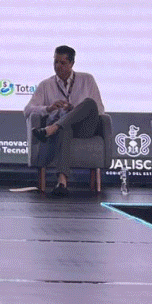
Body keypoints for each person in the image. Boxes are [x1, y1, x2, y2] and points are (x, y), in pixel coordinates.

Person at [25, 45, 105, 197]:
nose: (57, 66)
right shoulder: (46, 85)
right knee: (64, 127)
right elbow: (27, 110)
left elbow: (99, 109)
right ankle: (62, 182)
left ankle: (52, 129)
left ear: (72, 64)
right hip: (64, 128)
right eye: (55, 62)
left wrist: (75, 109)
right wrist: (48, 108)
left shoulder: (87, 79)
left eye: (62, 63)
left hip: (84, 128)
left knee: (89, 103)